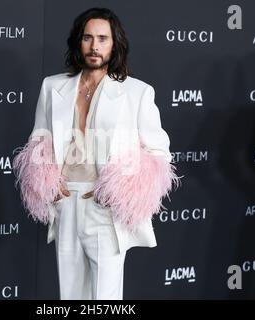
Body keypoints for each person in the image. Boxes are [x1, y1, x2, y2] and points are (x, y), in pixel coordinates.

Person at [12, 7, 180, 300]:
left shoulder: (137, 92)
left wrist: (118, 191)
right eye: (88, 38)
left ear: (114, 44)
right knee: (70, 293)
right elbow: (39, 139)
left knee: (105, 294)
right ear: (79, 42)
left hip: (105, 206)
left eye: (103, 38)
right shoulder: (53, 86)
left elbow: (158, 153)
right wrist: (47, 180)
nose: (94, 46)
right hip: (66, 202)